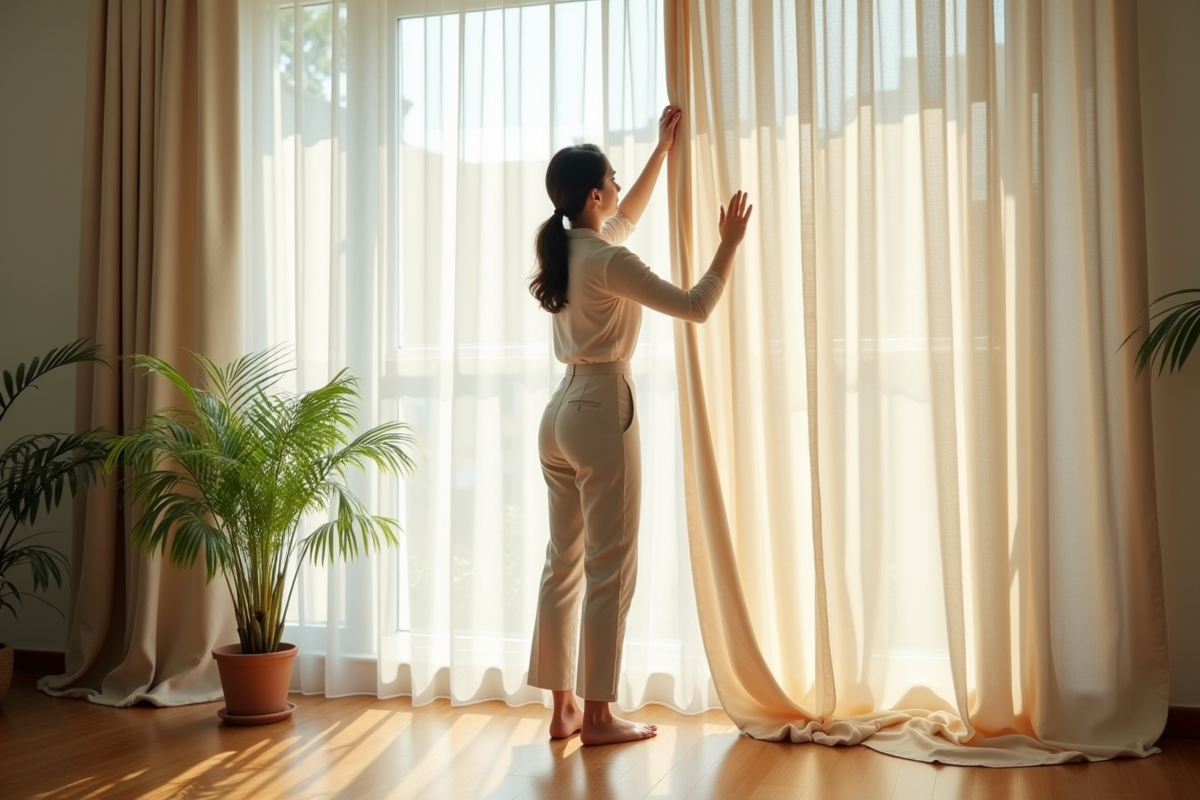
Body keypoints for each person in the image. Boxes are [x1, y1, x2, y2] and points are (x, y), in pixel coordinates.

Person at [527, 105, 753, 745]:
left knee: (563, 563)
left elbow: (625, 218)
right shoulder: (607, 260)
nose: (622, 189)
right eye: (616, 179)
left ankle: (563, 709)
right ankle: (598, 718)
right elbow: (696, 306)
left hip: (558, 414)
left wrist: (660, 153)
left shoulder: (567, 246)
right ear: (595, 195)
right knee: (609, 568)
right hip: (601, 410)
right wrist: (729, 244)